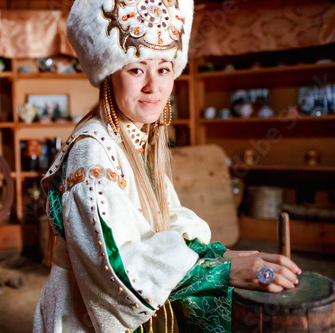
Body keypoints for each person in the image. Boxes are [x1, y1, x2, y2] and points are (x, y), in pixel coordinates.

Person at [33, 0, 301, 332]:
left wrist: (225, 256)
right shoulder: (92, 151)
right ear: (109, 77)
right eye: (136, 70)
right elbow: (115, 268)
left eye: (163, 69)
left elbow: (168, 222)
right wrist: (224, 272)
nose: (153, 87)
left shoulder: (135, 138)